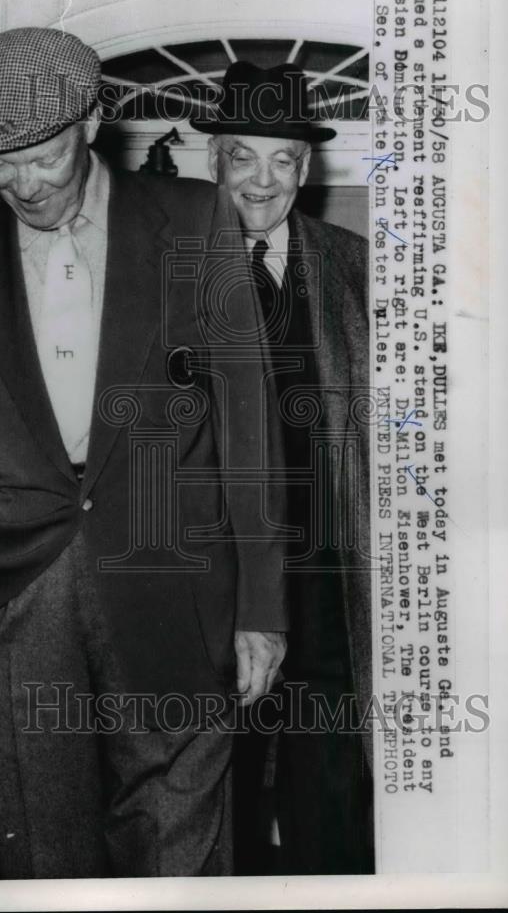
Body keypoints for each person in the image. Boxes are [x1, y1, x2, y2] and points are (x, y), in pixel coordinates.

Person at [0, 27, 288, 878]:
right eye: (0, 165)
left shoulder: (192, 218)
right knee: (45, 851)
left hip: (175, 577)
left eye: (43, 157)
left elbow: (247, 415)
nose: (25, 184)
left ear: (93, 122)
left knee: (182, 839)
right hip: (12, 587)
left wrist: (262, 605)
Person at [193, 61, 374, 874]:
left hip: (331, 562)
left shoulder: (353, 263)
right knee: (217, 763)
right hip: (217, 568)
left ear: (306, 169)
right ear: (214, 161)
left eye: (283, 161)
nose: (262, 181)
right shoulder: (171, 264)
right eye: (244, 157)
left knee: (330, 764)